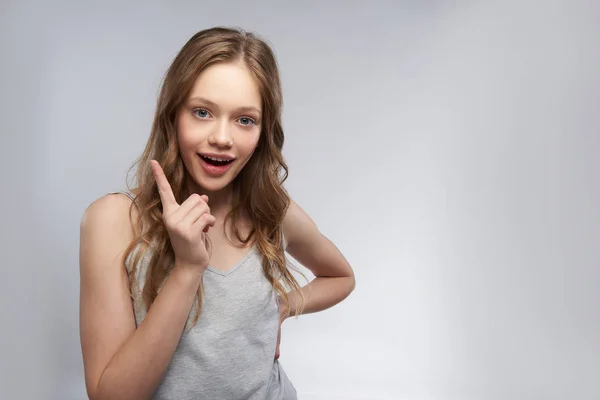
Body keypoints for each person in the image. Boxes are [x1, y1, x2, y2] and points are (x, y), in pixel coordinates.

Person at [78, 26, 356, 400]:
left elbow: (340, 276)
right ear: (172, 114)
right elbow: (110, 396)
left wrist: (280, 308)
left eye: (245, 120)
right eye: (203, 112)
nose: (223, 138)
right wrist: (188, 267)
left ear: (262, 132)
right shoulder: (115, 221)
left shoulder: (269, 210)